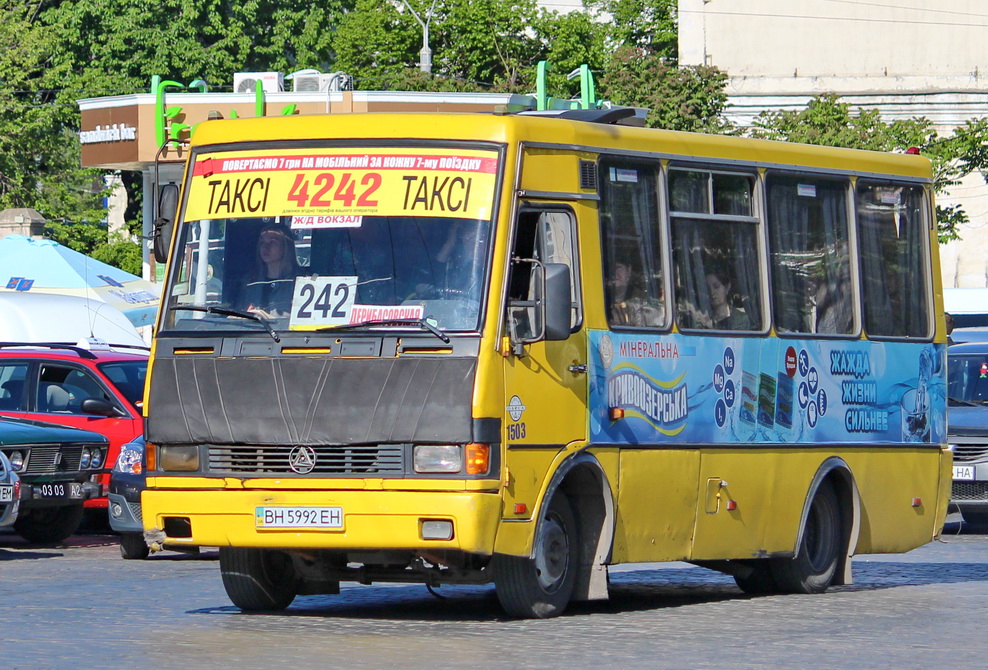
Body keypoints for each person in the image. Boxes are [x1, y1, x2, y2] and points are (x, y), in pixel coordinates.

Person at [236, 223, 300, 317]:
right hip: (252, 331)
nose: (265, 248)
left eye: (272, 243)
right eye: (262, 243)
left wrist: (267, 317)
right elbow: (240, 311)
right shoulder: (250, 281)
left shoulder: (299, 281)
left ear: (285, 247)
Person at [608, 261, 663, 327]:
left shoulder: (642, 300)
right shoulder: (601, 300)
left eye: (618, 267)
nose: (614, 273)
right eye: (610, 268)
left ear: (628, 270)